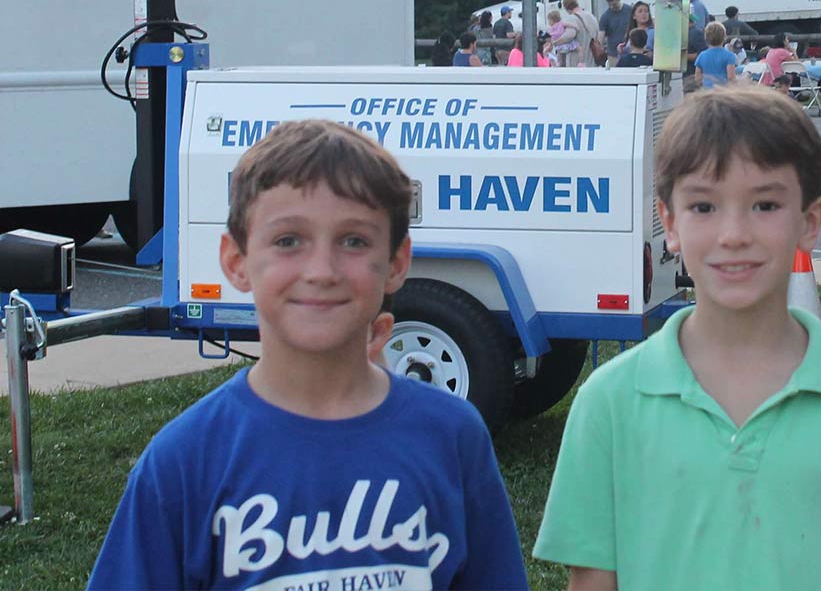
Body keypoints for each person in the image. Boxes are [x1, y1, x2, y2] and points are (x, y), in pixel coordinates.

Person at [533, 86, 821, 590]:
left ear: (809, 221)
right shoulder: (608, 403)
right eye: (704, 207)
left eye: (766, 204)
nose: (734, 234)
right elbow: (593, 581)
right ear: (669, 222)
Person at [87, 120, 528, 589]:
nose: (321, 271)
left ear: (397, 262)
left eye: (354, 241)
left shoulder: (452, 436)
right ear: (236, 260)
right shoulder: (184, 461)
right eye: (288, 241)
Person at [559, 0, 601, 67]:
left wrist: (557, 41)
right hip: (592, 61)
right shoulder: (591, 16)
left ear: (567, 8)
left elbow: (569, 36)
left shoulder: (572, 19)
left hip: (577, 63)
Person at [693, 21, 737, 88]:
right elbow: (731, 78)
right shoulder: (729, 56)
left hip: (707, 93)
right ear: (724, 37)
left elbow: (697, 78)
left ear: (706, 37)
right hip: (723, 92)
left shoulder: (701, 56)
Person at [598, 0, 633, 66]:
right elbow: (601, 36)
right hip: (613, 54)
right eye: (609, 4)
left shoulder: (629, 10)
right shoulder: (605, 16)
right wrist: (601, 51)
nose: (612, 7)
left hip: (629, 51)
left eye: (614, 4)